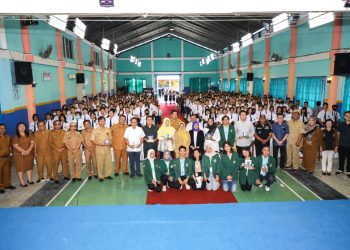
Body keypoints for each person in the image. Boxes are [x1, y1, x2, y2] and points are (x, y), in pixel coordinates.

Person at [12, 123, 35, 187]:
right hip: (19, 155)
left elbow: (32, 142)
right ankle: (22, 182)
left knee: (29, 167)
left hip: (29, 153)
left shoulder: (29, 134)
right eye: (20, 126)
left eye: (23, 126)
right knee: (20, 168)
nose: (22, 127)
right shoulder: (15, 136)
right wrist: (24, 151)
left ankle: (29, 180)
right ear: (17, 128)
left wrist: (28, 150)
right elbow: (15, 146)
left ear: (25, 127)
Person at [91, 116, 113, 182]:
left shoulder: (108, 129)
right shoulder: (95, 130)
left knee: (108, 163)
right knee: (100, 164)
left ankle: (108, 175)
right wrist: (99, 144)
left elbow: (110, 138)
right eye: (101, 121)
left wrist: (110, 143)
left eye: (103, 121)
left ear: (105, 122)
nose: (102, 122)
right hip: (99, 149)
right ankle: (100, 176)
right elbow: (92, 140)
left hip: (107, 149)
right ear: (98, 122)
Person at [0, 124, 16, 193]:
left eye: (3, 128)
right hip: (0, 158)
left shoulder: (8, 137)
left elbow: (10, 146)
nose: (2, 129)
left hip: (7, 157)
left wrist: (11, 153)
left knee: (7, 172)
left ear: (5, 129)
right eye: (0, 128)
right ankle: (0, 187)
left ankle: (7, 184)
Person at [336, 111, 350, 177]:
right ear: (344, 117)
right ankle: (340, 169)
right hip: (341, 144)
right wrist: (337, 143)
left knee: (349, 159)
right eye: (347, 116)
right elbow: (338, 134)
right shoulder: (340, 124)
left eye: (349, 116)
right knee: (341, 158)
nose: (348, 117)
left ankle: (348, 171)